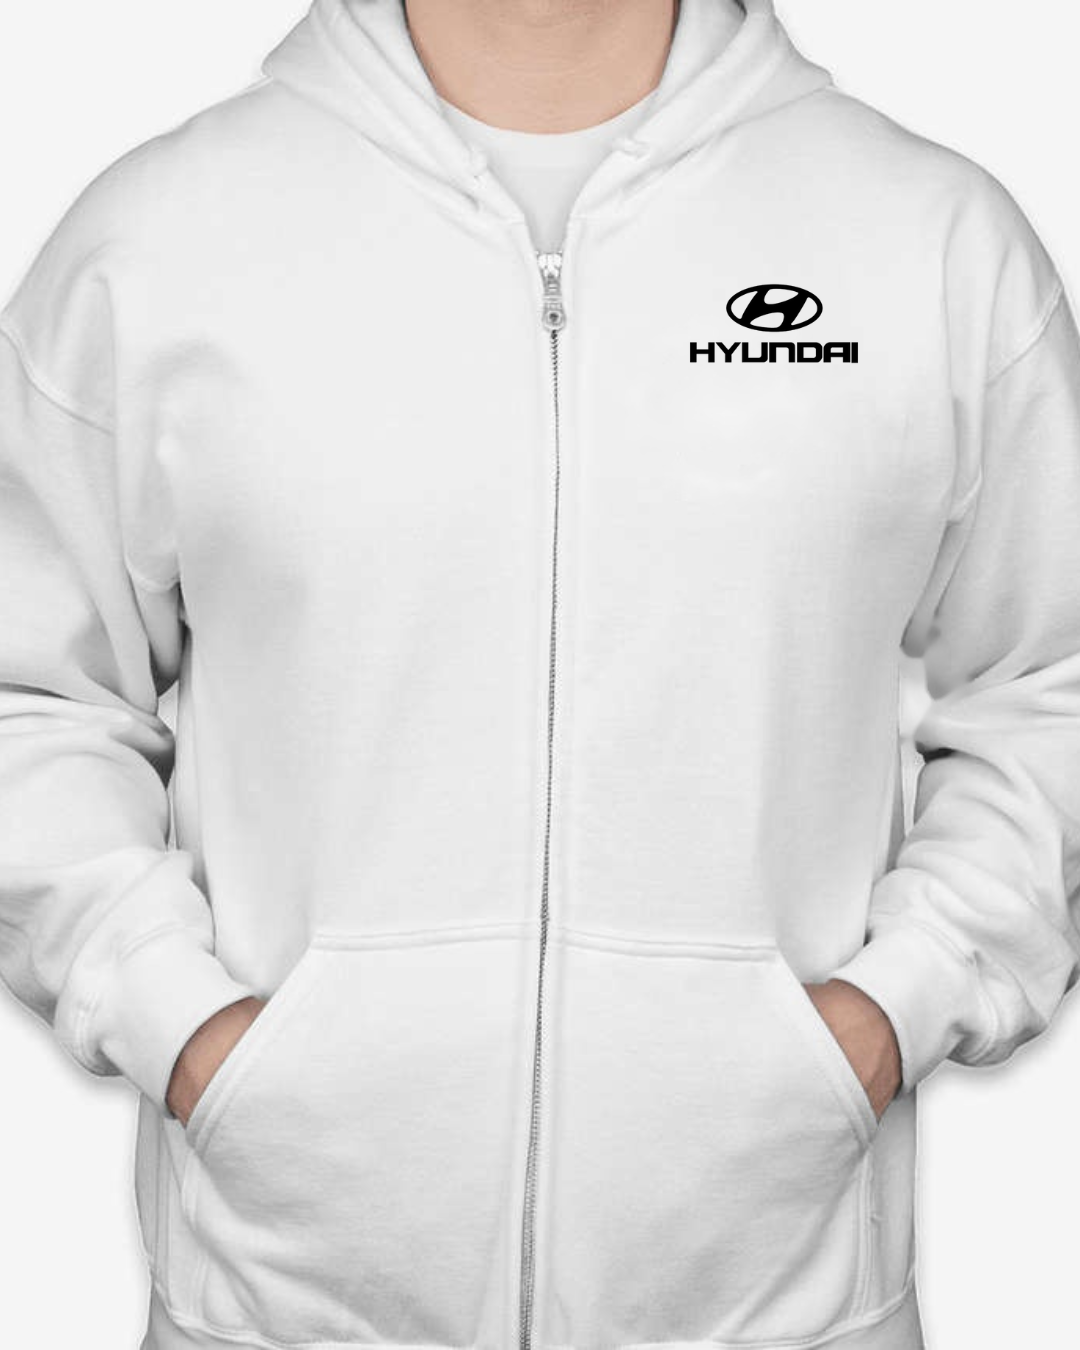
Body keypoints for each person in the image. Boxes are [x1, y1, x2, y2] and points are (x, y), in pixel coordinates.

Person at [1, 0, 1078, 1346]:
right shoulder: (159, 245)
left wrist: (895, 1005)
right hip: (280, 1303)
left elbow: (1050, 684)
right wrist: (186, 1031)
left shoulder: (929, 244)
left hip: (782, 1303)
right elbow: (33, 697)